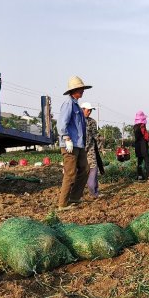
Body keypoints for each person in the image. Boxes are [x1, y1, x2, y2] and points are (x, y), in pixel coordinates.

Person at [58, 75, 92, 210]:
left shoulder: (76, 104)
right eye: (80, 89)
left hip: (79, 144)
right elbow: (61, 124)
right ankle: (62, 204)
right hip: (70, 144)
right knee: (70, 174)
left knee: (85, 169)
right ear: (74, 90)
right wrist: (66, 138)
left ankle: (74, 197)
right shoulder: (68, 104)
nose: (82, 91)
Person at [82, 102, 103, 198]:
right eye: (88, 110)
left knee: (93, 168)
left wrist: (100, 142)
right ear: (82, 109)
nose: (89, 112)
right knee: (78, 171)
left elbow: (95, 135)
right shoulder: (76, 120)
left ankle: (93, 191)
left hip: (90, 149)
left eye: (90, 110)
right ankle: (75, 194)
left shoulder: (92, 122)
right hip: (79, 149)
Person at [133, 110, 149, 182]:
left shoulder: (135, 127)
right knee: (147, 161)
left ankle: (140, 176)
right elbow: (146, 136)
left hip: (137, 146)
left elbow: (137, 137)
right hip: (143, 146)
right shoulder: (142, 126)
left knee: (139, 162)